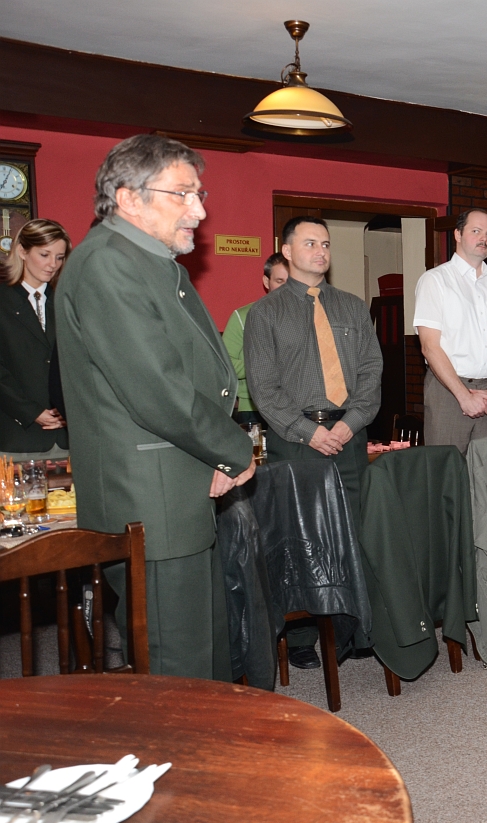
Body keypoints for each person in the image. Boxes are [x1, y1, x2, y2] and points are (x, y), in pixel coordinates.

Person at [57, 134, 255, 679]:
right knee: (177, 665)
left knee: (204, 651)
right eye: (182, 194)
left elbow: (196, 373)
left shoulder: (148, 260)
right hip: (151, 496)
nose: (199, 210)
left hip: (178, 483)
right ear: (129, 198)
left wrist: (214, 454)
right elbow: (159, 390)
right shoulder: (108, 264)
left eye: (199, 193)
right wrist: (235, 449)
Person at [244, 215, 383, 670]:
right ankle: (304, 635)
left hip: (350, 435)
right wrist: (310, 432)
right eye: (310, 243)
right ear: (286, 251)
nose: (320, 251)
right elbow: (264, 389)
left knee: (355, 534)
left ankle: (355, 629)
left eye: (325, 244)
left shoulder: (352, 307)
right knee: (303, 542)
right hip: (296, 440)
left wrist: (351, 423)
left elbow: (371, 372)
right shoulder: (265, 314)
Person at [413, 208, 487, 452]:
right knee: (448, 470)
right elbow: (429, 347)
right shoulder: (435, 280)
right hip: (448, 393)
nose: (484, 238)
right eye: (476, 231)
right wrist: (464, 396)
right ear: (457, 234)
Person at [0, 219, 70, 460]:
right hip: (17, 437)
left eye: (59, 257)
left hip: (69, 438)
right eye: (44, 254)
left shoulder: (68, 301)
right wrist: (32, 412)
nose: (53, 265)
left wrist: (67, 409)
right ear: (22, 251)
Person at [222, 252, 289, 426]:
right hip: (253, 409)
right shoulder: (242, 316)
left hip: (296, 407)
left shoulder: (309, 317)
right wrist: (265, 366)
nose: (285, 288)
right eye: (279, 281)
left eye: (291, 282)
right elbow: (224, 365)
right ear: (266, 282)